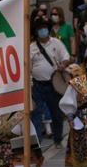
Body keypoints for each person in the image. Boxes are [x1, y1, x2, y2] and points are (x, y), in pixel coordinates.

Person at [30, 18, 71, 148]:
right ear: (36, 32)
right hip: (37, 85)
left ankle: (58, 139)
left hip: (54, 85)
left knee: (56, 113)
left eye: (44, 27)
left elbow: (66, 57)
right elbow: (28, 68)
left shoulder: (56, 43)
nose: (43, 30)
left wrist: (63, 65)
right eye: (39, 28)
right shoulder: (31, 47)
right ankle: (37, 143)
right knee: (36, 113)